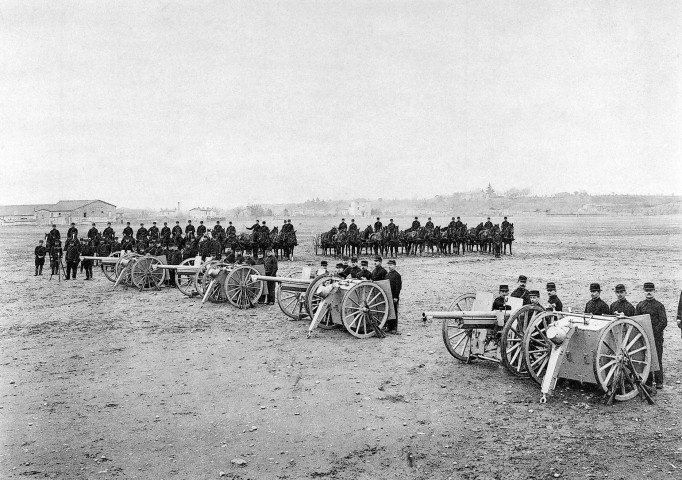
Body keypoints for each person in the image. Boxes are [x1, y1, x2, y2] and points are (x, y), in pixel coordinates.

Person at [635, 282, 667, 389]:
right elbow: (636, 320)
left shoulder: (659, 306)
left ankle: (659, 381)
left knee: (657, 357)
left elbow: (663, 322)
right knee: (646, 357)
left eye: (651, 290)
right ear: (644, 292)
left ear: (654, 292)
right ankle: (648, 380)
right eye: (646, 290)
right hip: (644, 337)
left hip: (656, 337)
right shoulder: (640, 305)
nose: (648, 292)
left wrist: (654, 332)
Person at [385, 259, 402, 334]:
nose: (389, 267)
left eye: (391, 265)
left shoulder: (397, 275)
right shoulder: (387, 275)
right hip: (388, 295)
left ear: (395, 266)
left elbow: (398, 287)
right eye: (388, 265)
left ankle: (394, 327)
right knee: (388, 310)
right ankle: (389, 327)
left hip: (394, 296)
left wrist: (396, 297)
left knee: (394, 311)